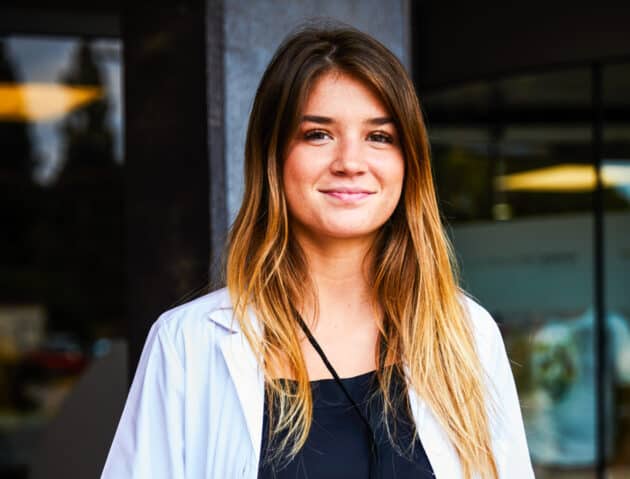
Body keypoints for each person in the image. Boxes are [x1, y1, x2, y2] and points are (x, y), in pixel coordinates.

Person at [101, 24, 534, 479]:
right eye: (318, 134)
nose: (350, 161)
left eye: (379, 137)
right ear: (273, 157)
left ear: (409, 162)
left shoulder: (466, 334)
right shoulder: (187, 345)